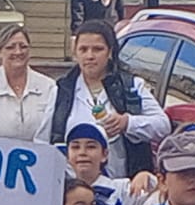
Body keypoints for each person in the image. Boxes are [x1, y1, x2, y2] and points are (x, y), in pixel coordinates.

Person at [50, 21, 168, 179]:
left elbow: (163, 126)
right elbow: (44, 140)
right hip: (72, 188)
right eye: (83, 49)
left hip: (121, 186)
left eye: (98, 49)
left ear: (110, 52)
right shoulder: (61, 90)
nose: (90, 56)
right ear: (75, 53)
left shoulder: (130, 86)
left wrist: (127, 123)